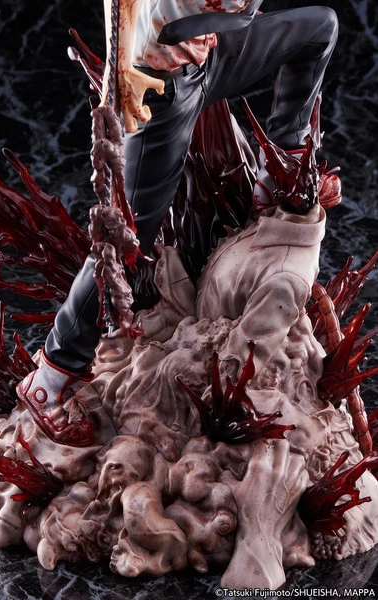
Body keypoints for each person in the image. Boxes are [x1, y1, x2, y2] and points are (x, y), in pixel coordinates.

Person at [17, 0, 339, 446]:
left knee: (318, 28)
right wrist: (120, 78)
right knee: (124, 243)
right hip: (160, 88)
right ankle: (50, 375)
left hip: (212, 56)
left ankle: (279, 171)